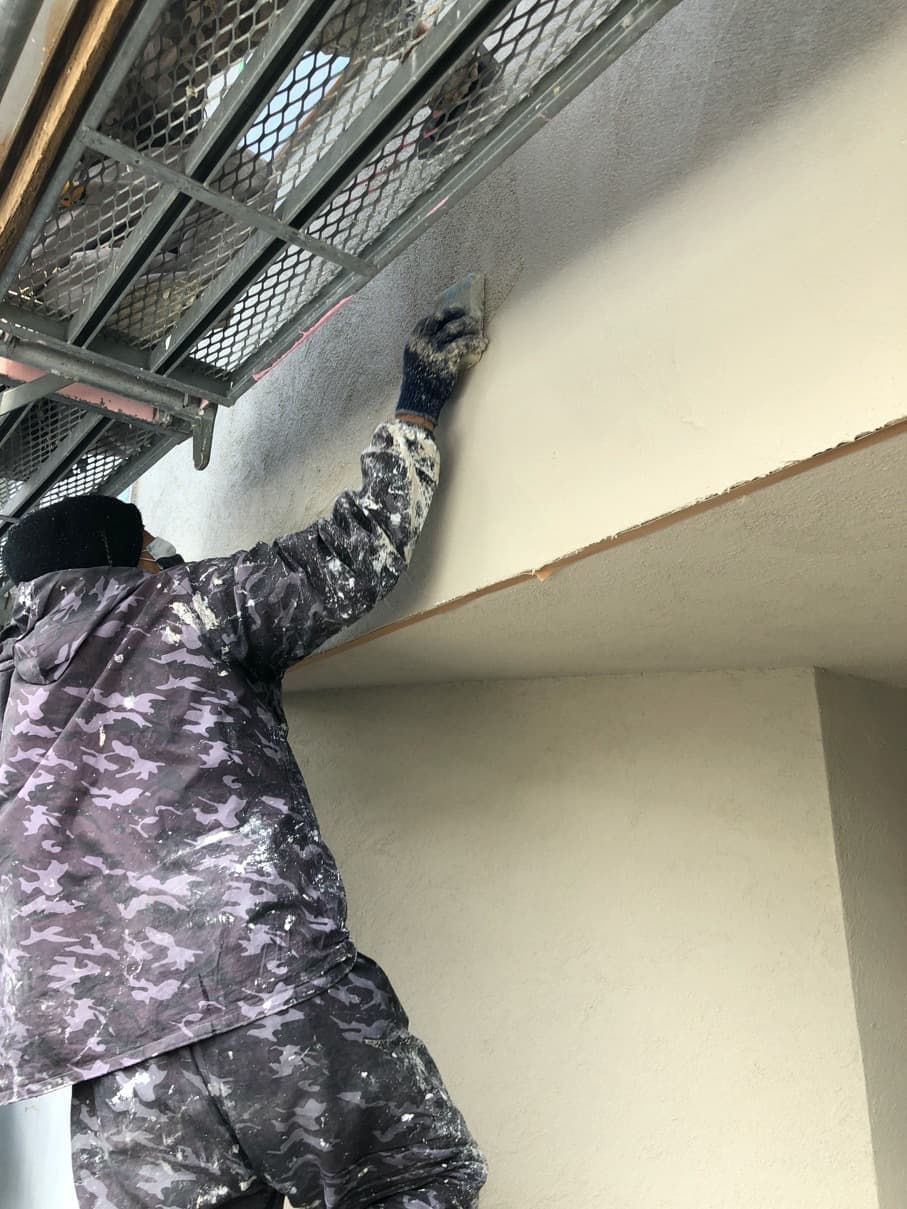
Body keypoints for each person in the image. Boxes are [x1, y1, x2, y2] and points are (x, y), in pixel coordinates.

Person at [0, 305, 489, 1209]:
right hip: (273, 998)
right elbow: (353, 552)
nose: (165, 554)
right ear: (124, 558)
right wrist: (418, 403)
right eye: (150, 546)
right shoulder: (183, 605)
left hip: (116, 1078)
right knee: (412, 1185)